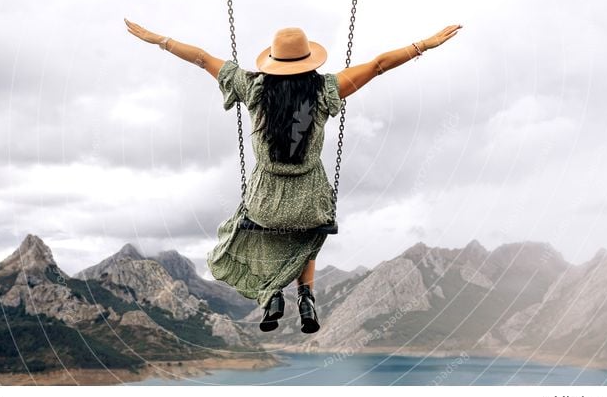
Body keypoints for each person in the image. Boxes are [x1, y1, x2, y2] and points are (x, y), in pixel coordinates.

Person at [124, 19, 462, 333]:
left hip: (264, 202)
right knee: (307, 229)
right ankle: (306, 298)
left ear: (272, 60)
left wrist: (159, 40)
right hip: (310, 201)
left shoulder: (252, 88)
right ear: (308, 60)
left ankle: (271, 293)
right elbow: (377, 65)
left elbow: (200, 58)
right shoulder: (325, 89)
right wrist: (424, 44)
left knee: (253, 223)